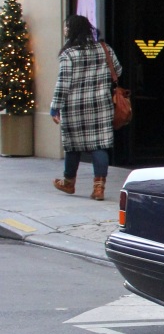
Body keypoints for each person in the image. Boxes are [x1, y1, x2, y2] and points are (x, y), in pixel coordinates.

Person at [49, 14, 120, 201]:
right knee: (100, 145)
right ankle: (99, 188)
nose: (64, 30)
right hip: (101, 104)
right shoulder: (104, 49)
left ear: (72, 30)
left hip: (74, 105)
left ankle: (69, 182)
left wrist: (54, 107)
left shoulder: (68, 54)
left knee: (72, 146)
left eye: (66, 27)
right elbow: (118, 71)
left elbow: (62, 83)